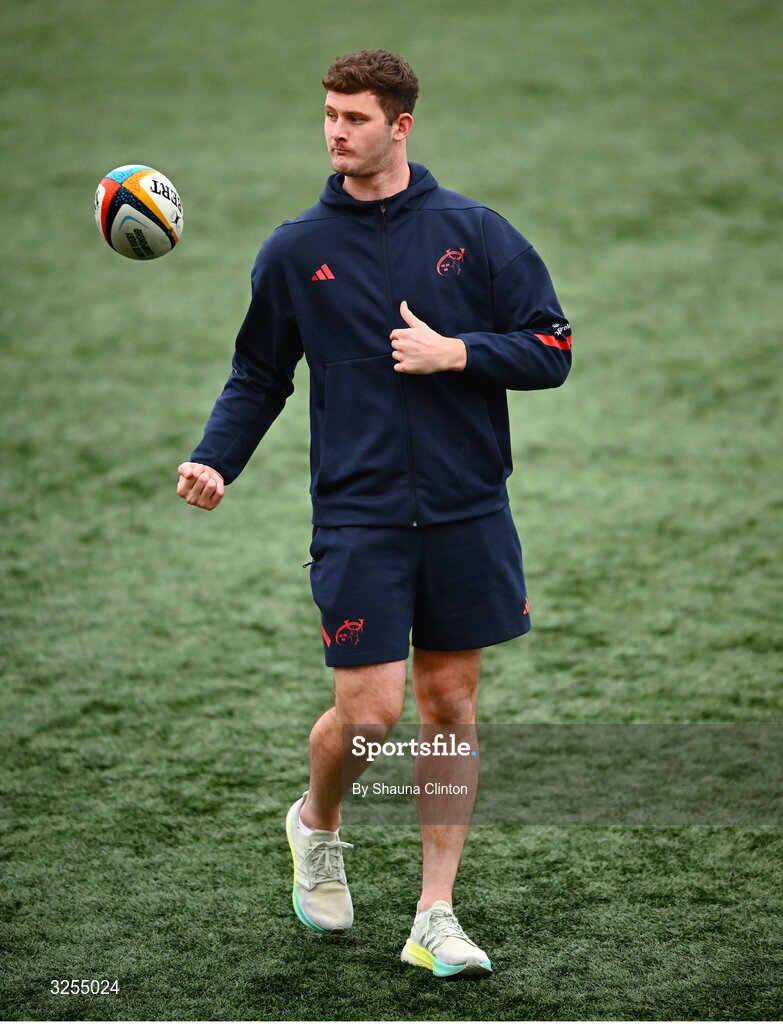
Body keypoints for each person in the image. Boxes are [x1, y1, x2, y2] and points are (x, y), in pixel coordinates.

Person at [177, 49, 572, 978]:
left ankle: (435, 910)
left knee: (448, 703)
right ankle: (316, 823)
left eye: (354, 117)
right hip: (357, 513)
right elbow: (259, 374)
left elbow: (551, 345)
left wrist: (458, 353)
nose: (335, 131)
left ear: (400, 125)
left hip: (468, 509)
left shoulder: (474, 233)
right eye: (327, 115)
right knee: (368, 714)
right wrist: (213, 457)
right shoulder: (295, 249)